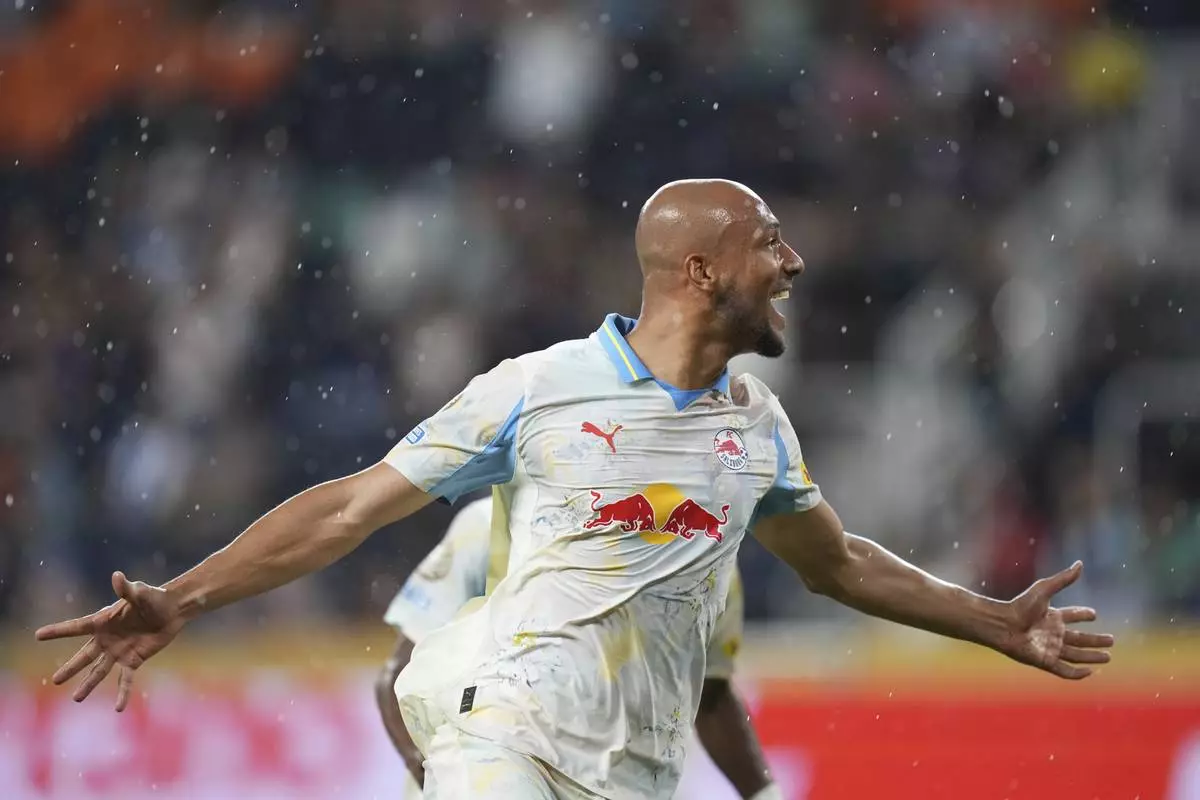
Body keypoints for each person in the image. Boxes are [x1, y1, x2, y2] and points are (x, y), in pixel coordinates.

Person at [36, 179, 1114, 800]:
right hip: (503, 735)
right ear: (697, 271)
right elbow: (354, 503)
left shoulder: (758, 426)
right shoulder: (542, 389)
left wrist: (991, 619)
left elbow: (837, 562)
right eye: (767, 241)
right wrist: (187, 593)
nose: (792, 261)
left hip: (634, 771)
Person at [377, 495, 778, 799]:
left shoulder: (708, 565)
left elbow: (710, 695)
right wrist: (435, 774)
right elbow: (397, 671)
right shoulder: (491, 528)